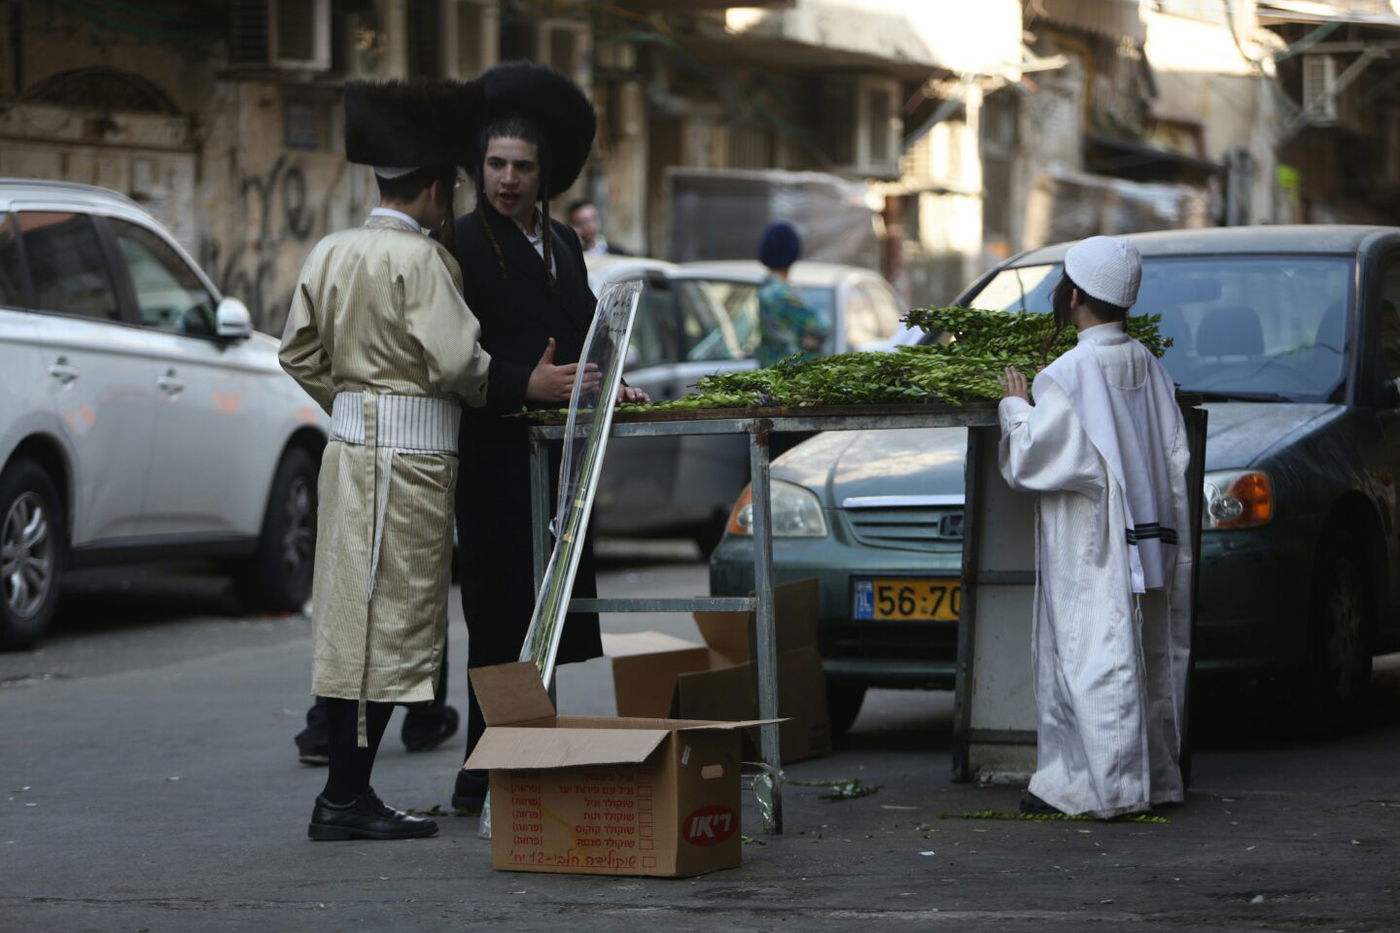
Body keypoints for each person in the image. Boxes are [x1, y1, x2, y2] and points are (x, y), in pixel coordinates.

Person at [280, 78, 491, 840]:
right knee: (395, 626)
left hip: (349, 452)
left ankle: (347, 790)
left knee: (350, 620)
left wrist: (349, 393)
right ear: (434, 188)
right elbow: (458, 361)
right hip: (412, 462)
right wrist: (496, 380)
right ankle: (344, 795)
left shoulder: (331, 250)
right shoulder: (424, 261)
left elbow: (296, 349)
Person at [447, 62, 648, 812]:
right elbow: (448, 354)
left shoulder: (564, 240)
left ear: (544, 174)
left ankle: (531, 754)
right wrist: (518, 384)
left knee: (549, 609)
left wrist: (609, 380)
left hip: (561, 465)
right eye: (495, 164)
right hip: (495, 458)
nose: (507, 180)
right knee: (497, 614)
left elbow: (588, 332)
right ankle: (481, 770)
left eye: (522, 167)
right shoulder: (461, 243)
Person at [996, 235, 1193, 820]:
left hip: (1091, 539)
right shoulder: (1148, 365)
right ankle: (1151, 781)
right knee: (1143, 654)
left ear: (1075, 294)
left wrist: (1015, 405)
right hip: (1148, 535)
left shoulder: (1068, 373)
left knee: (1091, 655)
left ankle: (1098, 788)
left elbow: (1033, 459)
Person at [755, 221, 827, 366]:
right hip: (791, 375)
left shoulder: (763, 289)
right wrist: (806, 339)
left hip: (769, 372)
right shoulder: (783, 295)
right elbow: (822, 327)